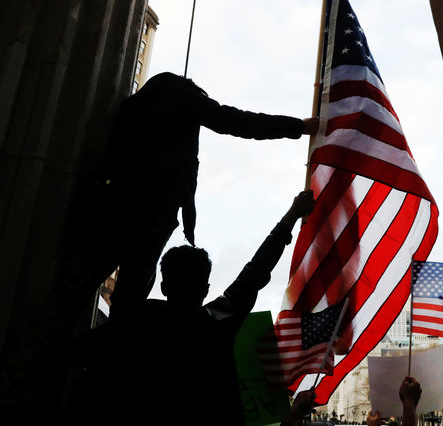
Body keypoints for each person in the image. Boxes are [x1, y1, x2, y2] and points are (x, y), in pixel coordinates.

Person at [61, 189, 315, 426]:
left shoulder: (130, 325)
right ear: (205, 289)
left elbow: (71, 357)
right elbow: (256, 270)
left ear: (163, 286)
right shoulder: (217, 323)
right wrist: (291, 216)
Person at [67, 71, 319, 318]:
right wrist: (299, 126)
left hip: (114, 203)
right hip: (153, 213)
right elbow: (236, 121)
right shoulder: (184, 97)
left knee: (78, 288)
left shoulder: (136, 107)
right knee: (129, 300)